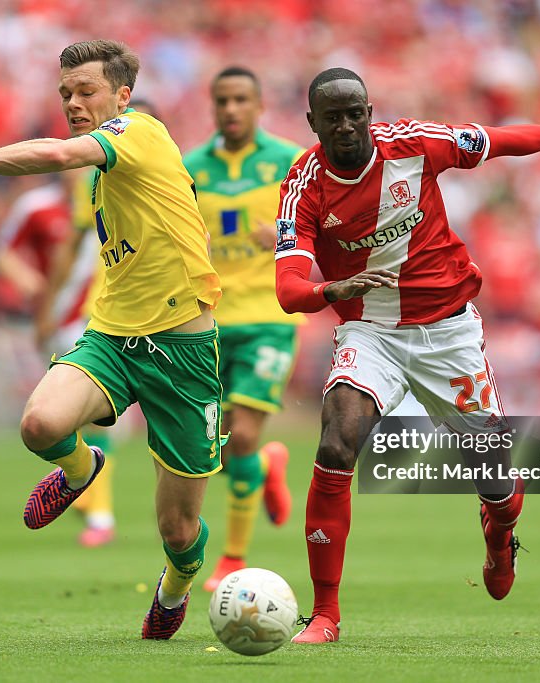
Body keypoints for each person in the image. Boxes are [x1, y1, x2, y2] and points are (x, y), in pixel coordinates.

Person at [0, 40, 223, 640]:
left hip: (183, 352)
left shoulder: (140, 130)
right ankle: (82, 470)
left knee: (179, 532)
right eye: (65, 94)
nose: (73, 103)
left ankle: (175, 587)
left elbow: (53, 151)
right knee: (39, 425)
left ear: (122, 96)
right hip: (114, 339)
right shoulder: (101, 173)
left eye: (85, 92)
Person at [274, 68, 540, 643]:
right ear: (312, 122)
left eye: (356, 112)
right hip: (370, 332)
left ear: (370, 110)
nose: (347, 125)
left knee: (495, 479)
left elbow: (496, 141)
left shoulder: (414, 144)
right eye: (333, 116)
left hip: (449, 335)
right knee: (335, 439)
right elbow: (289, 286)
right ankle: (325, 614)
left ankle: (499, 533)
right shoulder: (303, 183)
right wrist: (330, 292)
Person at [182, 66, 303, 590]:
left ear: (259, 105)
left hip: (269, 319)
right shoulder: (190, 168)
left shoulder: (290, 161)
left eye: (240, 100)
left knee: (244, 435)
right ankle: (269, 466)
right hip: (207, 320)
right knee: (219, 450)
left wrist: (280, 233)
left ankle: (232, 558)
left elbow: (327, 223)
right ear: (213, 107)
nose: (231, 109)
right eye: (222, 101)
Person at [40, 98, 163, 549]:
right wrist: (48, 307)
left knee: (222, 442)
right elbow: (73, 246)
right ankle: (100, 514)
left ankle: (260, 469)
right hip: (103, 316)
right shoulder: (92, 178)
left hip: (174, 322)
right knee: (84, 422)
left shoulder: (175, 179)